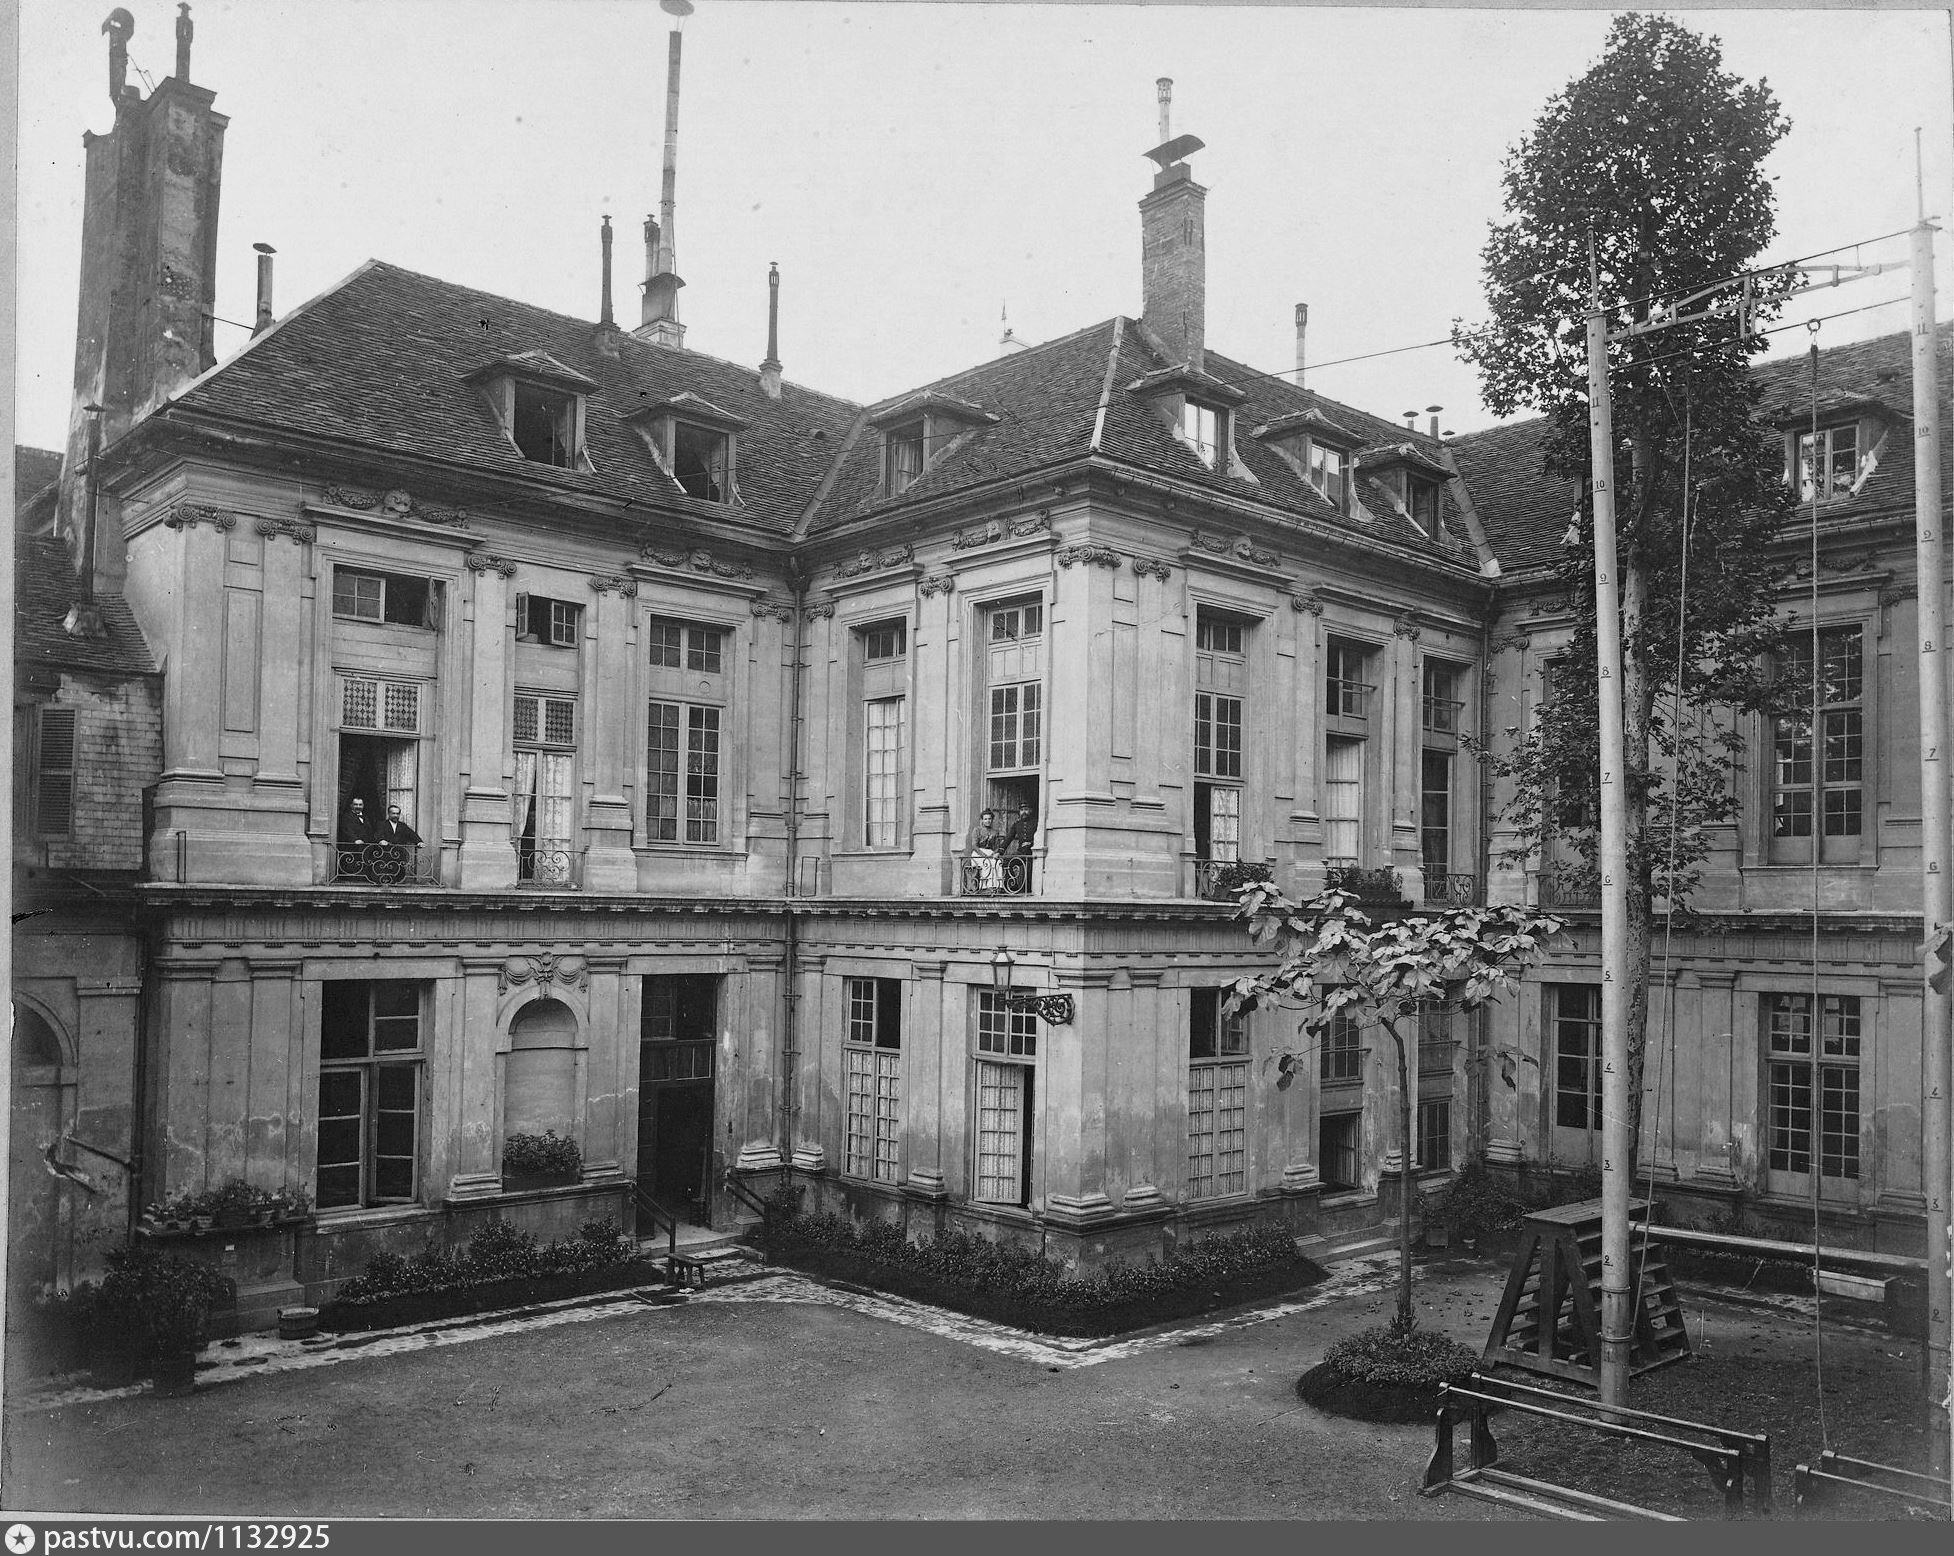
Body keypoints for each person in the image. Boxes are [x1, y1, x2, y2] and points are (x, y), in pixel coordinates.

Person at [968, 808, 1005, 891]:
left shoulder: (995, 832)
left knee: (998, 863)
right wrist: (984, 855)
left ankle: (997, 887)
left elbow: (996, 846)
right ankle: (985, 887)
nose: (987, 821)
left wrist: (994, 853)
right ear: (982, 820)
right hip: (978, 853)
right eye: (985, 819)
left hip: (990, 853)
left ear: (992, 820)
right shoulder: (977, 830)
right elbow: (974, 846)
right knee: (987, 863)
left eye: (989, 819)